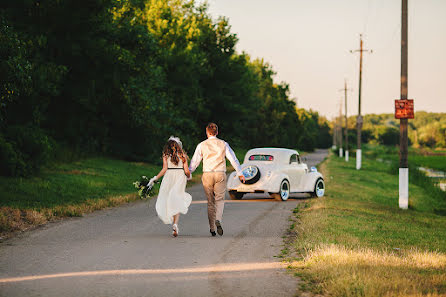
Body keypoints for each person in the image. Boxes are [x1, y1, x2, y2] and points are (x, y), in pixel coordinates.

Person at [189, 123, 245, 237]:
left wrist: (188, 173)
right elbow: (233, 159)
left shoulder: (201, 145)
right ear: (217, 132)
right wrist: (240, 173)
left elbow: (195, 162)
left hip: (207, 174)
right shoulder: (223, 144)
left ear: (207, 132)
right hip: (220, 174)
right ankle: (218, 219)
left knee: (210, 202)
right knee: (219, 200)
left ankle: (212, 229)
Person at [148, 136, 192, 237]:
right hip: (180, 177)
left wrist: (155, 178)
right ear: (178, 146)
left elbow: (164, 169)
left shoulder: (166, 155)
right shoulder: (182, 155)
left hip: (169, 176)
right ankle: (175, 224)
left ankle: (172, 220)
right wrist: (189, 176)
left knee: (169, 198)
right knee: (177, 199)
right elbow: (186, 171)